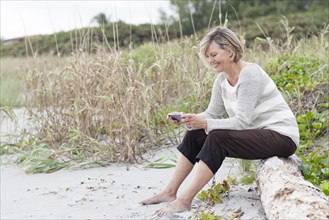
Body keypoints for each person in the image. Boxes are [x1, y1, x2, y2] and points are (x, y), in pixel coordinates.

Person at [140, 26, 299, 215]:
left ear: (230, 51)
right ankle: (169, 192)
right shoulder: (222, 80)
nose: (210, 60)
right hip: (257, 134)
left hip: (281, 137)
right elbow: (212, 114)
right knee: (195, 134)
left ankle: (185, 200)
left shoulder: (250, 75)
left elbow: (242, 122)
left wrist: (206, 124)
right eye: (207, 56)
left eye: (214, 54)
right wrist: (188, 118)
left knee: (217, 138)